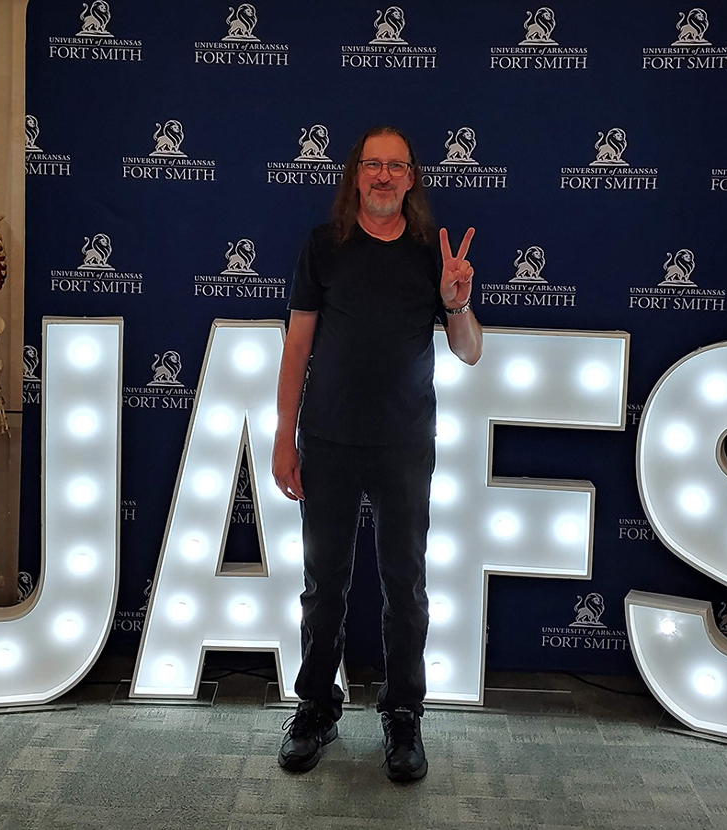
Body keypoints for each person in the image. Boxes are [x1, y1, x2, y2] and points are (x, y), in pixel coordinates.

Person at [271, 125, 483, 781]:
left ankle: (403, 716)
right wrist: (285, 435)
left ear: (412, 177)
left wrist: (459, 303)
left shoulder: (431, 255)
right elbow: (297, 347)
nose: (383, 176)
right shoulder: (324, 247)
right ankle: (316, 709)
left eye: (395, 166)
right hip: (329, 441)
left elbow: (469, 351)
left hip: (403, 444)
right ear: (355, 176)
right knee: (323, 587)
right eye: (372, 165)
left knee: (405, 587)